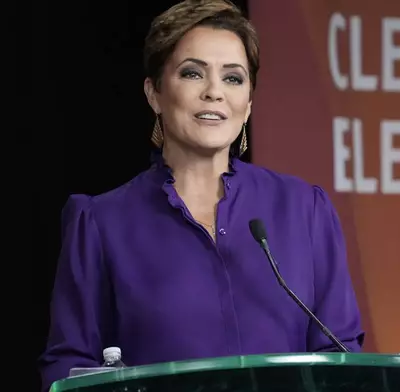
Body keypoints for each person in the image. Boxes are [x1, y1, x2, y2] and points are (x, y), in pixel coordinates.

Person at [37, 0, 364, 389]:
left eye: (233, 78)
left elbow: (341, 355)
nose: (214, 92)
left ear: (248, 105)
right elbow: (68, 366)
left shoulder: (304, 210)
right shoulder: (101, 223)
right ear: (154, 93)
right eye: (193, 73)